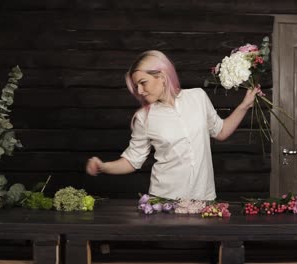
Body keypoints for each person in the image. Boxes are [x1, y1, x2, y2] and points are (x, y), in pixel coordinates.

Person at [86, 50, 258, 201]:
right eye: (136, 86)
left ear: (161, 77)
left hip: (203, 200)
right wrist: (103, 167)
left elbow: (220, 131)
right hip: (165, 203)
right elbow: (132, 161)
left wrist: (244, 105)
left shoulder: (198, 97)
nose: (139, 91)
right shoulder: (143, 118)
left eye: (143, 82)